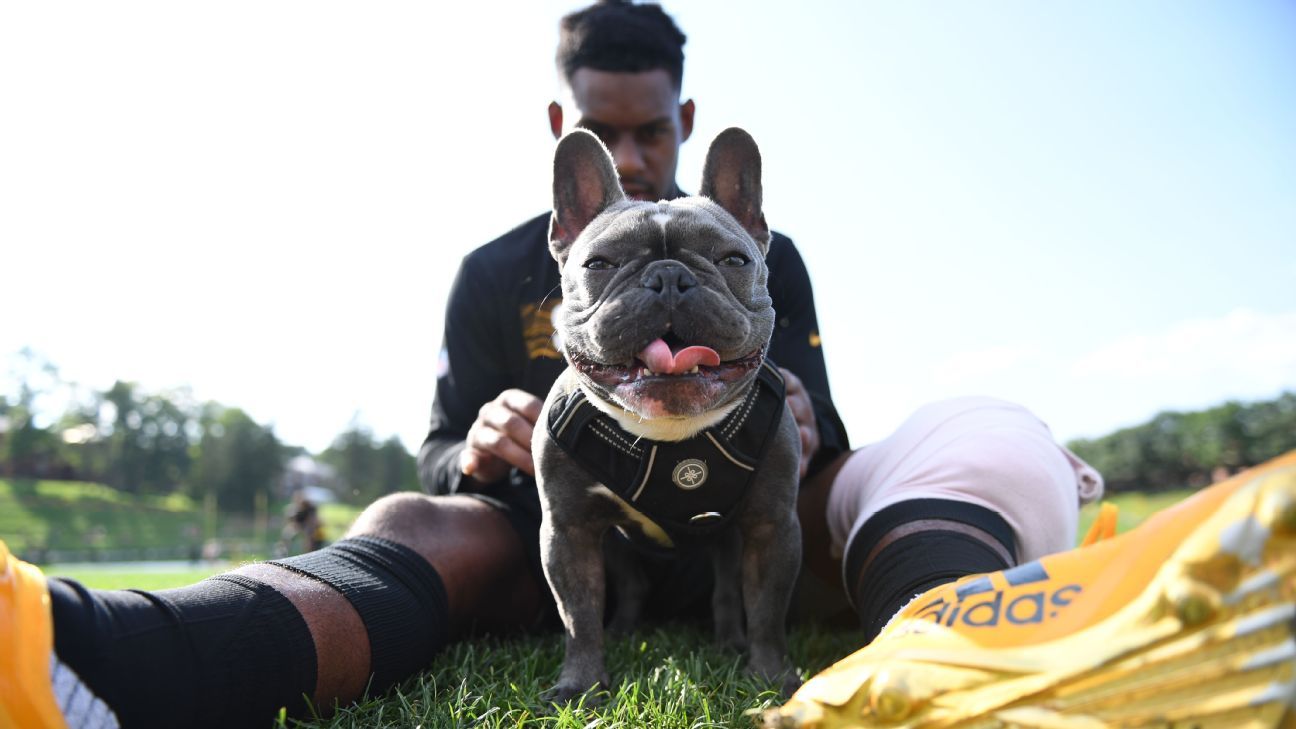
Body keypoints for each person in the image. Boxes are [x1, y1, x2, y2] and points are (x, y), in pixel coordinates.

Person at [4, 3, 1253, 729]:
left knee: (963, 433)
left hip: (742, 514)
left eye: (657, 130)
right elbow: (435, 440)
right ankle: (110, 658)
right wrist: (479, 437)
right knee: (415, 515)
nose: (639, 153)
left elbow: (829, 434)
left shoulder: (764, 250)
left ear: (690, 123)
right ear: (566, 141)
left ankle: (1004, 663)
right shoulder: (498, 271)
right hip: (560, 536)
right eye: (611, 134)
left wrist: (800, 415)